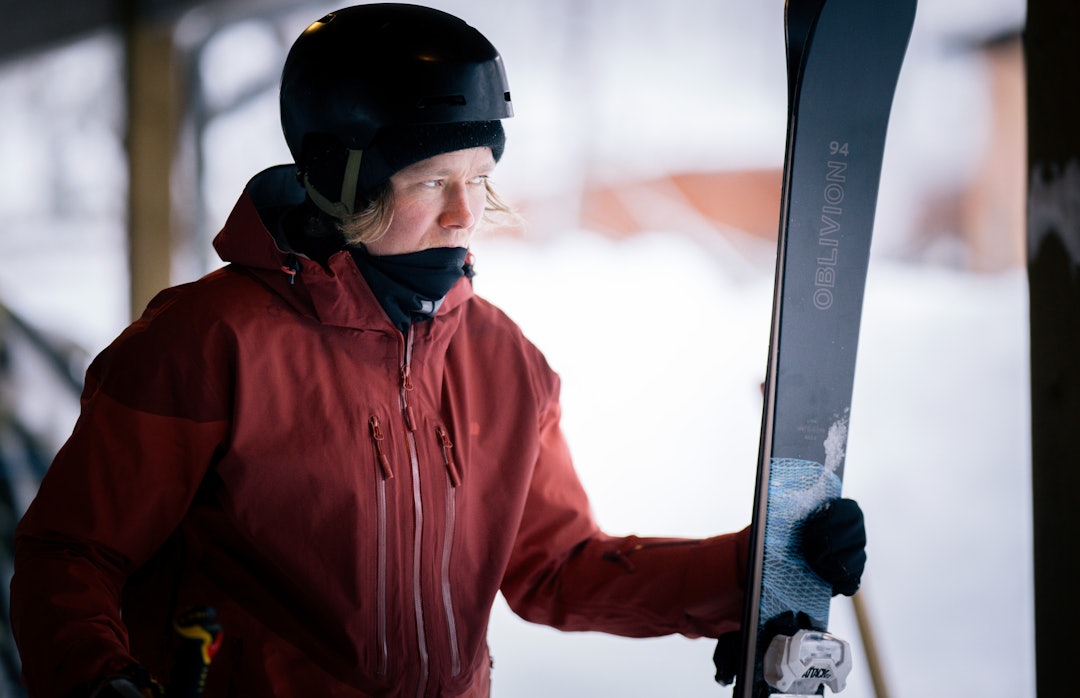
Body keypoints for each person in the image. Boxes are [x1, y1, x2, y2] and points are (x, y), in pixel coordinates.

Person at [9, 5, 866, 697]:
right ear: (343, 178)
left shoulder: (503, 363)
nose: (465, 214)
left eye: (480, 179)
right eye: (430, 182)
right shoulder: (204, 342)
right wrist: (95, 680)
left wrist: (751, 573)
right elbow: (72, 555)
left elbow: (558, 570)